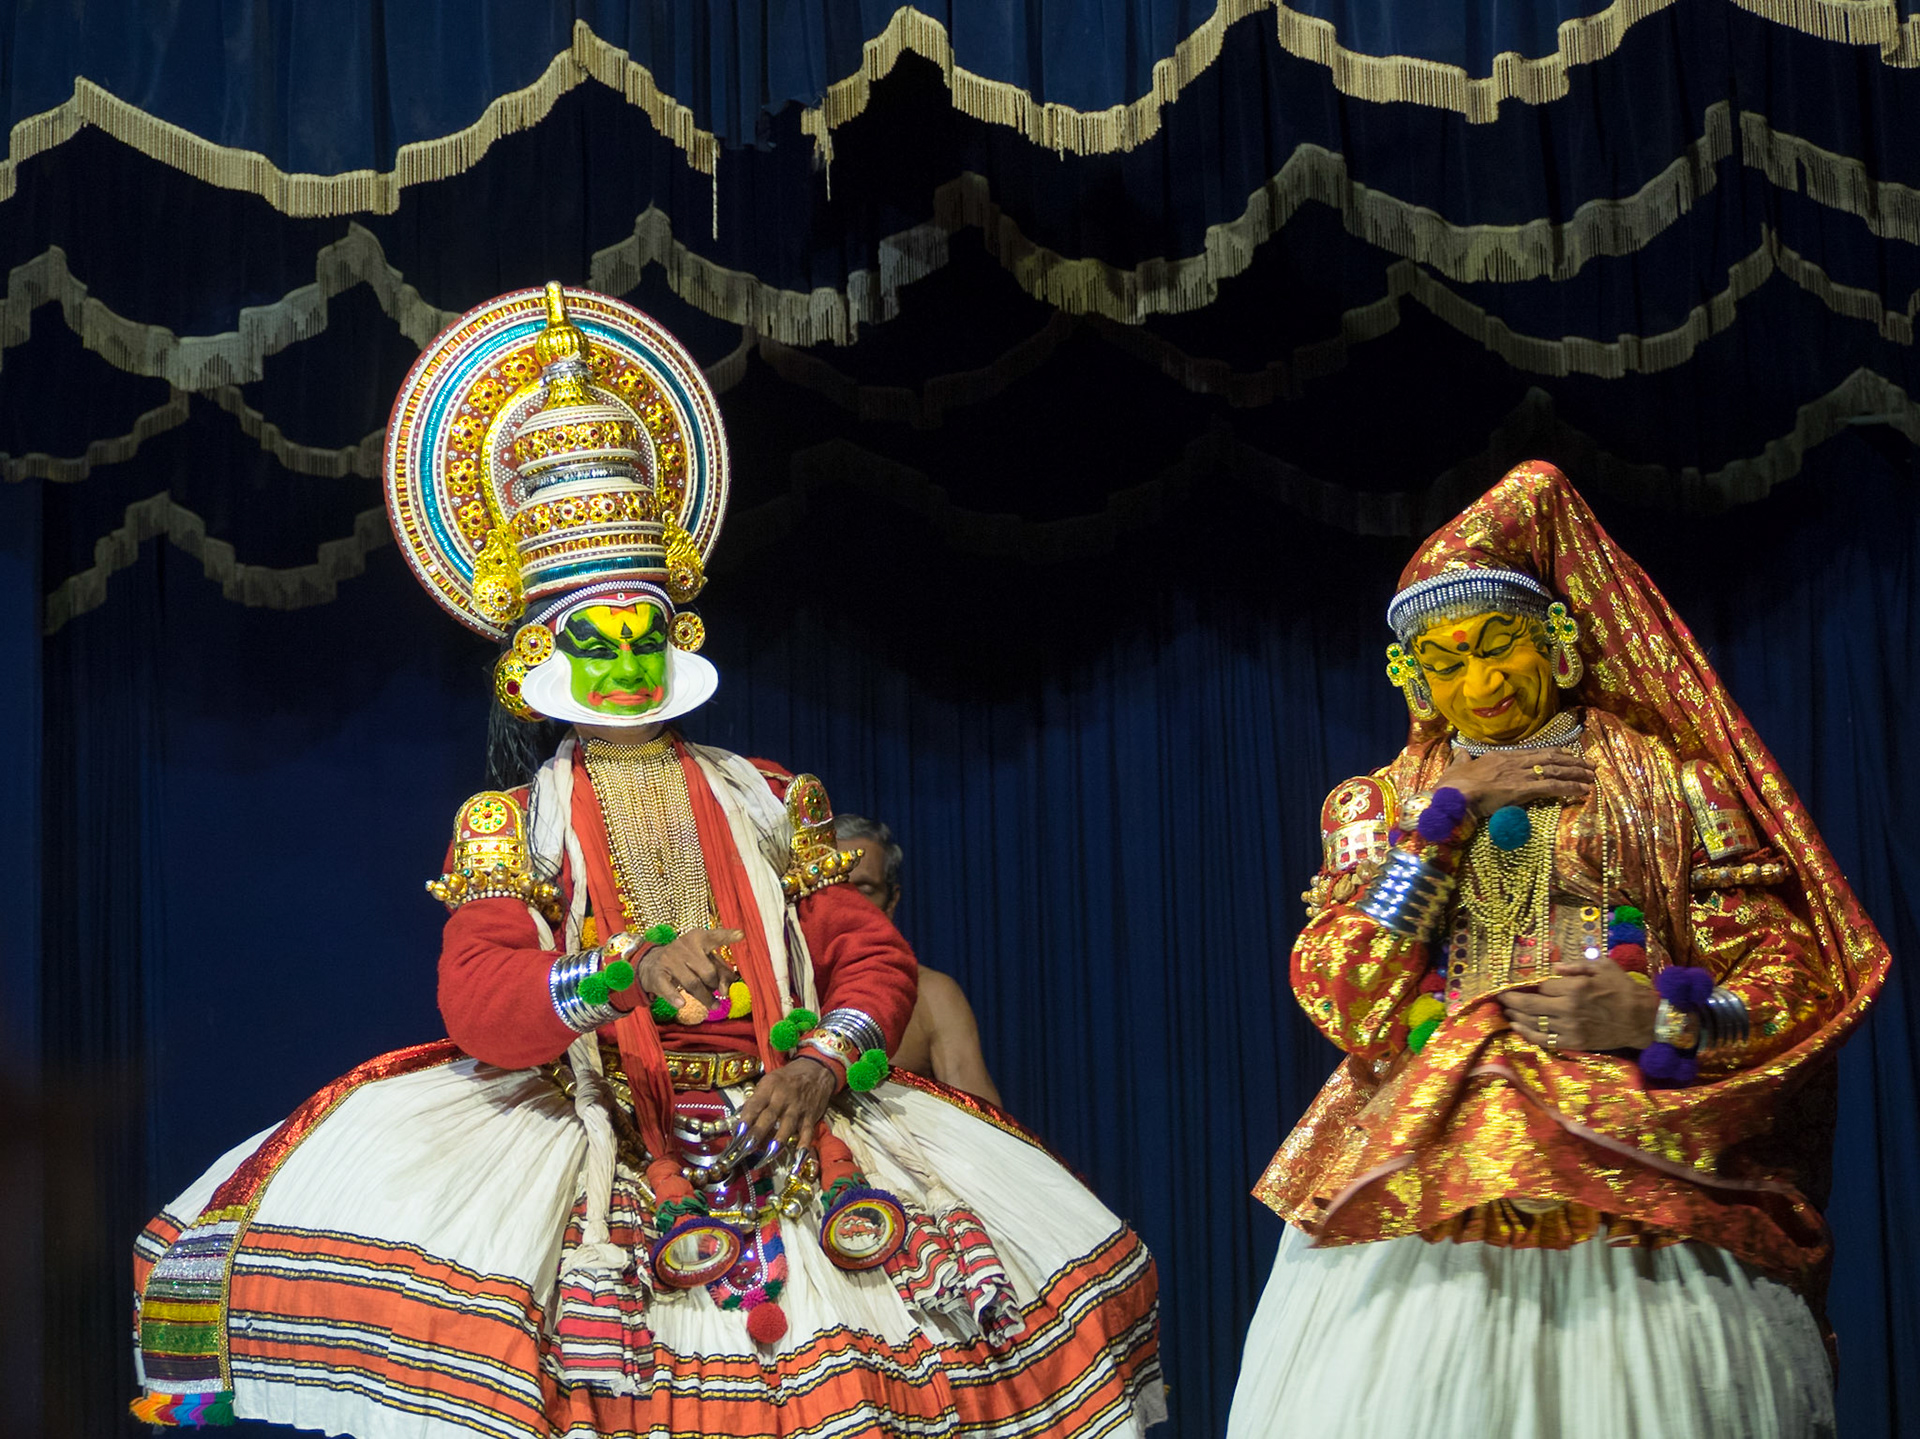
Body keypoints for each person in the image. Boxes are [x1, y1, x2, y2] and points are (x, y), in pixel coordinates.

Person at [130, 284, 1164, 1436]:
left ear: (677, 631)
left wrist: (823, 1062)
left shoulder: (774, 797)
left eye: (641, 627)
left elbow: (873, 958)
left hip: (799, 1129)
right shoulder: (508, 824)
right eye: (593, 634)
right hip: (614, 1142)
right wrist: (618, 969)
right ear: (538, 648)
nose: (622, 655)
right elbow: (479, 1002)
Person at [1227, 461, 1885, 1439]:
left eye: (1500, 648)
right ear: (1412, 675)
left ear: (1560, 643)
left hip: (1637, 1144)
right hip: (1425, 1145)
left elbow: (1793, 978)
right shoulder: (1383, 807)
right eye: (1444, 664)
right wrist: (1447, 823)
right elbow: (1347, 997)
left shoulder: (1667, 782)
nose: (1479, 684)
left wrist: (1661, 1015)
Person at [835, 813, 1005, 1108]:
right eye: (834, 887)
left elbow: (983, 1122)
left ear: (892, 902)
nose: (848, 906)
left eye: (864, 891)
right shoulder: (775, 985)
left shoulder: (932, 995)